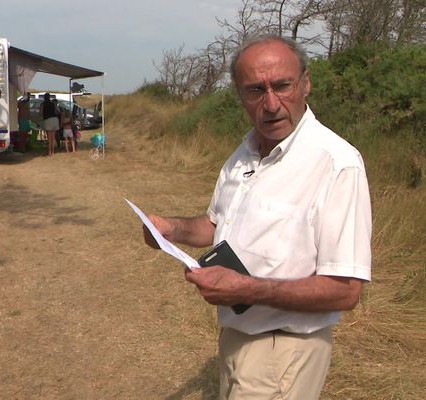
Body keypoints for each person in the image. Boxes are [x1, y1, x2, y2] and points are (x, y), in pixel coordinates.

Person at [142, 35, 372, 400]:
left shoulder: (336, 164)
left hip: (286, 350)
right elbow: (217, 225)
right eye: (255, 90)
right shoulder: (245, 152)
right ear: (239, 95)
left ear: (306, 83)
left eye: (282, 86)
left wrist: (247, 289)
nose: (270, 104)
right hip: (235, 337)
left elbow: (346, 291)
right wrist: (172, 229)